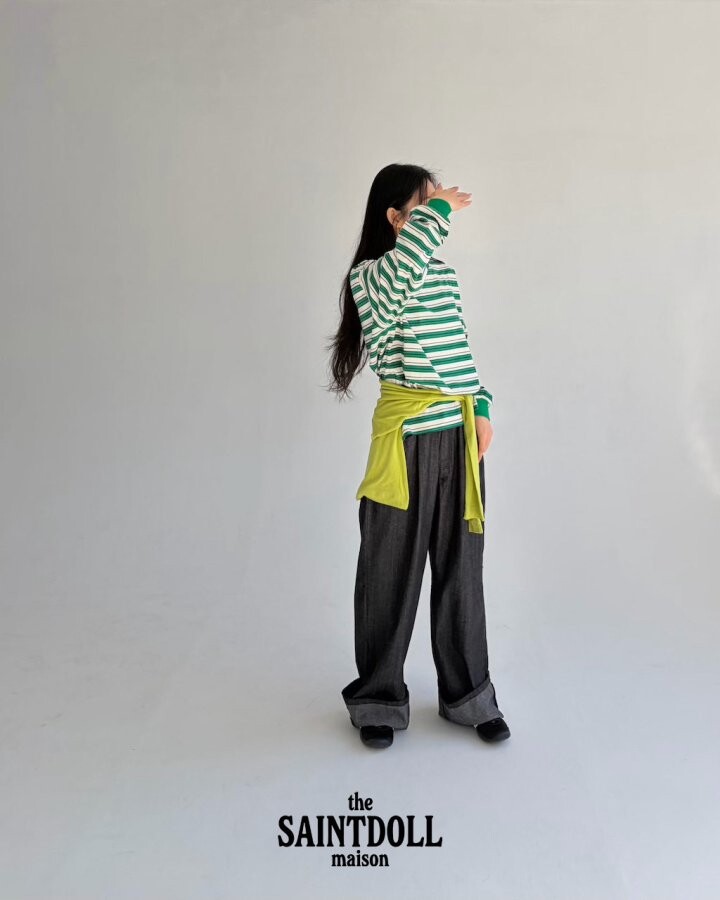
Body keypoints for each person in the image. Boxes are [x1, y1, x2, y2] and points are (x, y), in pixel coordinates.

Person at [326, 163, 511, 750]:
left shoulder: (443, 276)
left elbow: (460, 351)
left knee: (462, 572)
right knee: (389, 571)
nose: (438, 215)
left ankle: (469, 697)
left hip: (458, 436)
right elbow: (403, 268)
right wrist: (441, 211)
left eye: (437, 208)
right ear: (395, 217)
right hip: (404, 438)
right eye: (425, 207)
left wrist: (481, 406)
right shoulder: (372, 278)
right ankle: (378, 700)